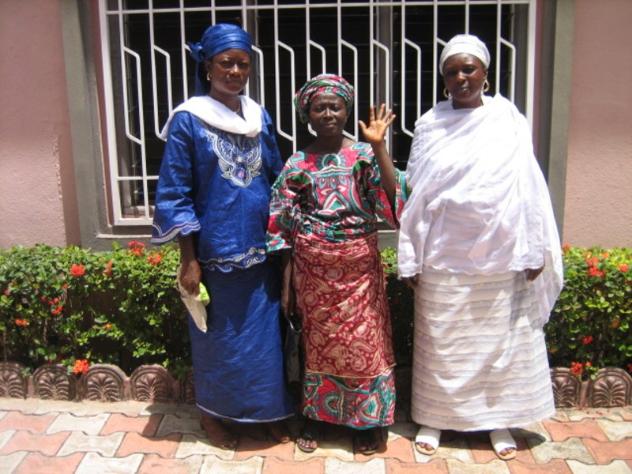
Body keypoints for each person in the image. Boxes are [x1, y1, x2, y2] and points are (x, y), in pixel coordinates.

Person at [397, 34, 563, 460]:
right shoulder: (430, 124)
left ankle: (497, 421)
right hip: (443, 253)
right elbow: (415, 192)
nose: (460, 78)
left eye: (468, 69)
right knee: (442, 343)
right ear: (443, 79)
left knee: (498, 348)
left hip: (501, 253)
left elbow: (528, 187)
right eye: (451, 71)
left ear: (485, 73)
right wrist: (411, 255)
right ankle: (434, 418)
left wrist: (534, 248)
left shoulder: (508, 119)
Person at [151, 23, 294, 449]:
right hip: (214, 255)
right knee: (218, 342)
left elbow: (275, 174)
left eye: (243, 64)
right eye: (226, 63)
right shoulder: (188, 120)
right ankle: (215, 417)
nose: (235, 72)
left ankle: (266, 411)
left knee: (263, 341)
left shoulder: (258, 116)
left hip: (261, 252)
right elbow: (175, 192)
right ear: (208, 66)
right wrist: (188, 259)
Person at [266, 74, 408, 455]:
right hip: (313, 277)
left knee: (365, 344)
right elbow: (281, 226)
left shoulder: (363, 155)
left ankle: (367, 420)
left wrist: (379, 147)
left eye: (336, 106)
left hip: (360, 275)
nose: (328, 113)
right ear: (307, 116)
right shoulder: (297, 163)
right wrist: (287, 284)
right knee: (318, 346)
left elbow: (395, 203)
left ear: (347, 111)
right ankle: (318, 415)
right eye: (319, 108)